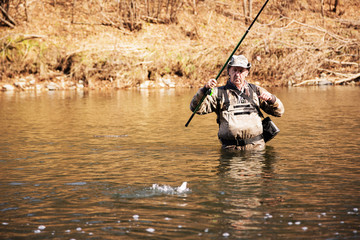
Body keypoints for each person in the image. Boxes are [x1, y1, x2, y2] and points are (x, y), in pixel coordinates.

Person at [190, 55, 285, 150]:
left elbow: (279, 112)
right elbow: (196, 109)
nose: (237, 74)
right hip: (230, 150)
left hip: (257, 148)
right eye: (234, 70)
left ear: (247, 72)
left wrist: (271, 99)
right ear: (229, 71)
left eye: (241, 71)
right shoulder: (218, 93)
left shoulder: (256, 91)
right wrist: (204, 90)